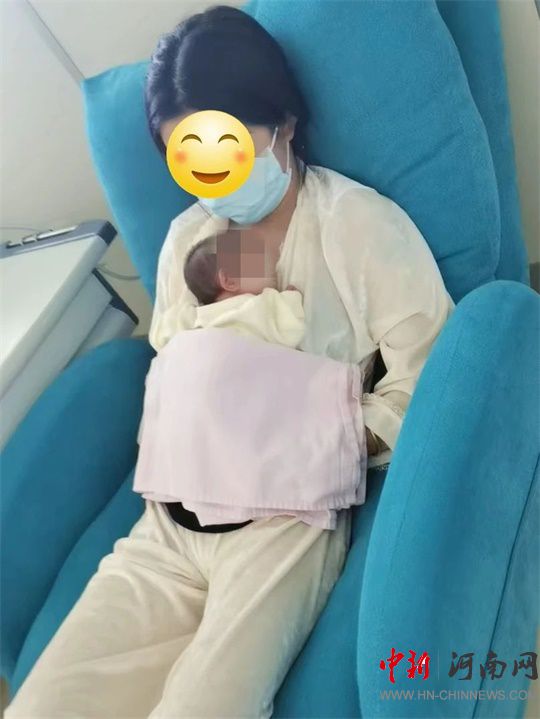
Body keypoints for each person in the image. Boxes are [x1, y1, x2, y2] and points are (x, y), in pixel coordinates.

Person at [5, 5, 455, 718]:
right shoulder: (188, 241)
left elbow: (435, 382)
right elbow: (173, 369)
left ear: (285, 123)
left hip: (282, 524)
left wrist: (319, 434)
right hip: (166, 529)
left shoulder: (356, 229)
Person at [132, 226, 369, 531]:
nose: (273, 272)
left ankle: (189, 480)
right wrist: (291, 297)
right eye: (262, 267)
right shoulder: (260, 307)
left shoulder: (191, 318)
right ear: (229, 281)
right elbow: (291, 329)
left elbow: (163, 339)